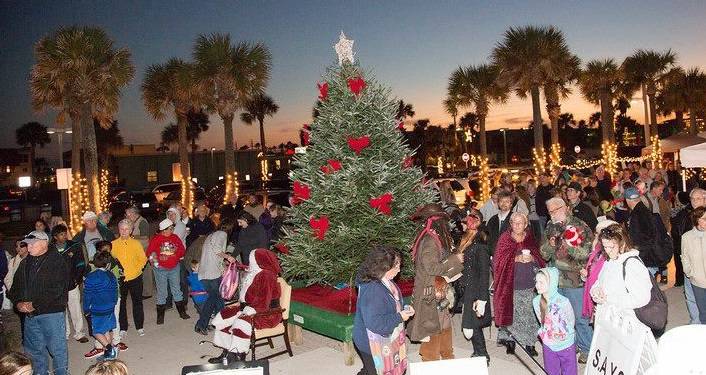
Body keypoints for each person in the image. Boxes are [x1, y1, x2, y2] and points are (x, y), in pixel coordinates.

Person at [7, 231, 70, 375]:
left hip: (51, 314)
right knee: (34, 351)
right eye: (27, 244)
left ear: (44, 243)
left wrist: (34, 304)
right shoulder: (25, 263)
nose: (28, 248)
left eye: (32, 244)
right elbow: (15, 288)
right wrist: (18, 303)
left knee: (57, 349)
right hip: (30, 316)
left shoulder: (57, 261)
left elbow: (57, 290)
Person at [407, 203, 463, 362]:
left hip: (438, 289)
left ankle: (447, 355)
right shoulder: (430, 241)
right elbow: (431, 268)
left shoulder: (434, 237)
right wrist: (454, 260)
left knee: (444, 324)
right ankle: (429, 361)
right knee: (432, 326)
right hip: (430, 291)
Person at [541, 197, 594, 363]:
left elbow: (587, 253)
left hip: (574, 280)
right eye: (549, 211)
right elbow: (543, 253)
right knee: (562, 318)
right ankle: (572, 344)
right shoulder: (550, 226)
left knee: (580, 318)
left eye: (554, 210)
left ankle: (588, 349)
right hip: (556, 280)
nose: (551, 214)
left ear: (563, 208)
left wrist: (567, 246)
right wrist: (551, 244)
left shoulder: (579, 226)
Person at [209, 249, 282, 363]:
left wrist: (250, 310)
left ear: (259, 260)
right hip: (248, 307)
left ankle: (238, 355)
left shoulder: (266, 275)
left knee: (241, 322)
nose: (250, 261)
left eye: (252, 258)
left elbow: (264, 300)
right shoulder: (254, 272)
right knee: (224, 316)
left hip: (266, 313)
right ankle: (226, 352)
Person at [352, 245, 413, 375]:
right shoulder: (373, 290)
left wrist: (403, 309)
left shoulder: (385, 280)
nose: (398, 270)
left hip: (384, 339)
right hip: (370, 343)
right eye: (395, 266)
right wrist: (400, 317)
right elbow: (375, 324)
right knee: (376, 370)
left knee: (370, 369)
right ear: (384, 267)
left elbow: (391, 303)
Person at [493, 212, 545, 356]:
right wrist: (516, 258)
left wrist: (532, 258)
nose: (516, 226)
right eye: (514, 223)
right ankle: (511, 341)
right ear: (510, 224)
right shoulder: (505, 239)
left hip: (530, 283)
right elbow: (498, 261)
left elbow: (540, 257)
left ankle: (530, 343)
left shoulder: (529, 238)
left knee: (530, 315)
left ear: (526, 224)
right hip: (511, 284)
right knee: (512, 314)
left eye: (520, 223)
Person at [590, 224, 652, 313]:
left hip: (626, 320)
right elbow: (599, 282)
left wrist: (608, 299)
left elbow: (642, 298)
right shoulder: (609, 261)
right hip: (609, 316)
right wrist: (596, 291)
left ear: (622, 244)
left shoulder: (632, 265)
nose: (607, 251)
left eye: (611, 247)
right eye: (605, 246)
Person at [457, 209, 491, 364]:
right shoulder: (465, 240)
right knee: (473, 324)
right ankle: (479, 352)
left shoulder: (480, 245)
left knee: (472, 325)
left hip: (475, 289)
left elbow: (485, 273)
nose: (462, 225)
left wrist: (483, 298)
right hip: (466, 286)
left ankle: (483, 354)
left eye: (465, 222)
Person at [534, 267, 577, 375]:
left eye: (541, 282)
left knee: (569, 371)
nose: (537, 285)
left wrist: (566, 335)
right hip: (549, 344)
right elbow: (541, 320)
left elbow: (571, 321)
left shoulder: (563, 302)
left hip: (566, 344)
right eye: (536, 282)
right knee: (551, 371)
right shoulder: (536, 301)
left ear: (552, 283)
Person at [51, 224, 89, 343]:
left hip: (72, 283)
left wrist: (76, 279)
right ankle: (65, 333)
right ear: (55, 237)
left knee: (76, 308)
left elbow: (80, 264)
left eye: (65, 233)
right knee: (61, 311)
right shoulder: (50, 249)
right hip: (58, 286)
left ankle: (79, 333)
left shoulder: (74, 246)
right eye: (61, 234)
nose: (64, 236)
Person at [146, 219, 189, 324]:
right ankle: (160, 316)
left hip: (174, 268)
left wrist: (175, 256)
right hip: (161, 270)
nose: (172, 230)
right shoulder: (156, 239)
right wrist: (156, 265)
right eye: (170, 228)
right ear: (164, 230)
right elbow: (150, 253)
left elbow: (182, 250)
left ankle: (182, 312)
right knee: (162, 292)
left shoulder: (174, 237)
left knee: (177, 290)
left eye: (172, 228)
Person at [672, 188, 705, 324]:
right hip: (691, 263)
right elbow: (677, 233)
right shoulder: (684, 214)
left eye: (698, 198)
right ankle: (695, 321)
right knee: (691, 295)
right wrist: (688, 269)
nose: (695, 201)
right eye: (693, 199)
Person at [195, 221, 234, 335]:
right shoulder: (222, 234)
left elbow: (212, 255)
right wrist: (228, 257)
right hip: (212, 273)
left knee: (218, 300)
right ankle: (201, 325)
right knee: (213, 299)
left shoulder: (211, 235)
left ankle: (221, 324)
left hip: (204, 272)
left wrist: (222, 267)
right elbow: (217, 250)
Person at [111, 219, 147, 337]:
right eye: (122, 229)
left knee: (137, 302)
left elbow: (143, 259)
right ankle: (123, 327)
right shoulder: (113, 244)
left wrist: (138, 269)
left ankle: (139, 326)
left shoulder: (136, 244)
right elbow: (112, 261)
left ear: (131, 230)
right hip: (120, 279)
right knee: (121, 303)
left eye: (126, 229)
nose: (124, 231)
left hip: (135, 277)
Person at [83, 251, 119, 361]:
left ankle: (109, 349)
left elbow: (87, 295)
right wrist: (113, 303)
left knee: (96, 331)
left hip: (97, 309)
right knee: (107, 329)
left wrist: (86, 308)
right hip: (110, 307)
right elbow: (115, 292)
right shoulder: (111, 274)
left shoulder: (90, 277)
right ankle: (110, 354)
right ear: (107, 264)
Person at [581, 219, 618, 320]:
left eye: (599, 234)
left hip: (607, 298)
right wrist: (585, 275)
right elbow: (590, 270)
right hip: (594, 293)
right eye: (596, 233)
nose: (597, 236)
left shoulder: (611, 253)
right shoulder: (596, 249)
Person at [623, 187, 661, 276]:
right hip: (650, 252)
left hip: (645, 255)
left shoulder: (636, 214)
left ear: (627, 200)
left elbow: (637, 237)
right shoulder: (644, 209)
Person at [681, 206, 706, 323]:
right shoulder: (686, 237)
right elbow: (684, 257)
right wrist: (690, 273)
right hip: (698, 280)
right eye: (704, 219)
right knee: (703, 312)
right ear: (697, 220)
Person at [125, 207, 153, 299]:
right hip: (138, 249)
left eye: (128, 214)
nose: (127, 216)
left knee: (146, 271)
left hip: (144, 249)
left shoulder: (142, 222)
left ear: (134, 213)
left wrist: (131, 237)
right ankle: (141, 290)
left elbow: (145, 237)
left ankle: (147, 292)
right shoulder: (133, 222)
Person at [4, 241, 28, 336]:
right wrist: (13, 291)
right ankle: (25, 339)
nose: (19, 248)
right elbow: (8, 278)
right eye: (17, 246)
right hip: (19, 295)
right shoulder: (13, 261)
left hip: (32, 295)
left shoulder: (33, 259)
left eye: (21, 246)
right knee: (23, 320)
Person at [487, 190, 515, 255]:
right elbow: (488, 238)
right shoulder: (492, 219)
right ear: (498, 203)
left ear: (511, 204)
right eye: (501, 201)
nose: (503, 204)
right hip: (494, 254)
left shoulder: (515, 219)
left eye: (507, 202)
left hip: (509, 254)